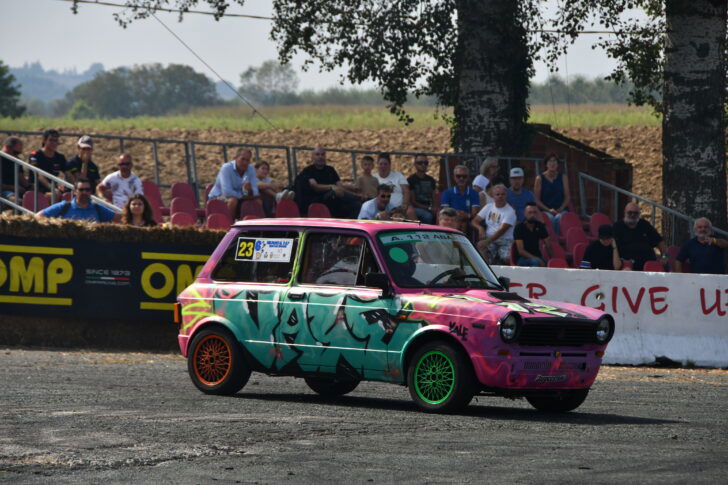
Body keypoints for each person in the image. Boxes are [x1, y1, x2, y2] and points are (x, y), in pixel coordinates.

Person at [293, 146, 360, 218]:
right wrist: (332, 187)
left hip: (336, 198)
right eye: (317, 154)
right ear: (312, 157)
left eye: (322, 154)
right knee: (333, 193)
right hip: (318, 199)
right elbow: (315, 186)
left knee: (357, 205)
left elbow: (340, 186)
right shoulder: (308, 170)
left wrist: (353, 191)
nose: (320, 157)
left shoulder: (330, 170)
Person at [612, 202, 668, 271]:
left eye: (636, 213)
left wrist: (664, 256)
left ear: (639, 214)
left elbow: (660, 242)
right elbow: (613, 248)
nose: (632, 215)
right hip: (627, 266)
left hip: (649, 265)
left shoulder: (645, 225)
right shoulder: (617, 227)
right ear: (624, 213)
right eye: (630, 212)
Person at [208, 148, 260, 221]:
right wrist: (243, 196)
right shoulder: (226, 168)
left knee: (258, 201)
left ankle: (258, 226)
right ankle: (230, 225)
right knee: (233, 201)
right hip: (218, 197)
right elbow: (227, 192)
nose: (245, 163)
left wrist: (250, 190)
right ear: (235, 158)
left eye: (247, 160)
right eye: (242, 159)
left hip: (241, 197)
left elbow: (255, 192)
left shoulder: (251, 169)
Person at [471, 184, 516, 264]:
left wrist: (487, 241)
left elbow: (501, 231)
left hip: (504, 240)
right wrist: (480, 228)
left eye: (503, 194)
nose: (500, 196)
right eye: (497, 194)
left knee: (505, 258)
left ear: (506, 196)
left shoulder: (510, 211)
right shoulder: (488, 207)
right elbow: (474, 221)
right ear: (493, 196)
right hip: (489, 238)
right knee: (480, 249)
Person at [38, 178, 115, 223]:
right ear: (75, 191)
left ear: (91, 191)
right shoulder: (63, 207)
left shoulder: (97, 208)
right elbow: (38, 216)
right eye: (81, 189)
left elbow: (119, 218)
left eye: (87, 189)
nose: (84, 192)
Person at [534, 153, 571, 234]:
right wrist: (549, 210)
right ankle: (553, 240)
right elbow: (537, 200)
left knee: (559, 217)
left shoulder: (563, 177)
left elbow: (567, 197)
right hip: (546, 209)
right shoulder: (539, 178)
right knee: (550, 218)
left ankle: (557, 240)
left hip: (561, 209)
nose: (552, 163)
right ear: (546, 164)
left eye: (554, 161)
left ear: (558, 164)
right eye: (550, 161)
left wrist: (561, 208)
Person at [373, 152, 416, 219]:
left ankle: (414, 229)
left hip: (400, 207)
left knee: (410, 211)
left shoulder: (398, 176)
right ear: (377, 165)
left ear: (390, 165)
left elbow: (406, 191)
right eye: (381, 164)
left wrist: (405, 204)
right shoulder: (373, 178)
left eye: (385, 164)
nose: (383, 166)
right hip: (383, 207)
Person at [28, 129, 68, 198]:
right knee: (55, 195)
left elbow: (68, 173)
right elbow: (38, 174)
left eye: (56, 141)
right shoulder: (34, 156)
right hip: (37, 189)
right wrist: (51, 188)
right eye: (51, 140)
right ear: (44, 140)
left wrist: (65, 184)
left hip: (54, 189)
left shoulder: (60, 157)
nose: (54, 143)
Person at [440, 164, 480, 231]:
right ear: (454, 177)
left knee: (464, 224)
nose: (461, 179)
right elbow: (446, 211)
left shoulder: (474, 193)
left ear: (468, 178)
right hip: (451, 219)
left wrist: (467, 216)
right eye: (458, 176)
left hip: (467, 220)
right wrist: (457, 215)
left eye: (464, 176)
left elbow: (474, 213)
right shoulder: (447, 193)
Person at [512, 202, 551, 266]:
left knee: (548, 263)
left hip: (538, 256)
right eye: (530, 212)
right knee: (535, 262)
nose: (532, 215)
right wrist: (537, 259)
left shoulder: (540, 226)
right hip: (522, 259)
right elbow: (521, 251)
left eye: (535, 212)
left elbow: (548, 245)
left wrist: (552, 260)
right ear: (525, 213)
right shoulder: (519, 228)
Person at [407, 154, 437, 224]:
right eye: (420, 163)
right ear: (415, 164)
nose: (423, 165)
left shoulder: (431, 180)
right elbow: (413, 201)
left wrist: (435, 208)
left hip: (429, 207)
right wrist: (429, 208)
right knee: (428, 216)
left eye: (425, 163)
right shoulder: (411, 180)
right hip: (416, 208)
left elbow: (434, 198)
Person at [1, 136, 30, 203]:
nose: (16, 156)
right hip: (4, 191)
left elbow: (21, 178)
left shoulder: (16, 161)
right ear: (7, 147)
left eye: (19, 153)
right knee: (18, 201)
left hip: (16, 189)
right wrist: (13, 188)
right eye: (15, 153)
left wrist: (29, 186)